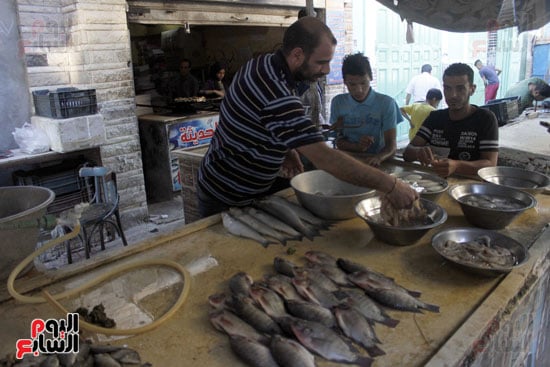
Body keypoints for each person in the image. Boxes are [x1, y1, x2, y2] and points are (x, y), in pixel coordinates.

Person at [196, 16, 418, 217]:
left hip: (252, 189)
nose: (327, 70)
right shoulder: (276, 91)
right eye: (321, 62)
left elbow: (260, 121)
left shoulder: (265, 64)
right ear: (297, 55)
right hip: (225, 194)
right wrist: (391, 185)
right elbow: (326, 157)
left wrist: (287, 147)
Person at [403, 63, 499, 178]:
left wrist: (457, 165)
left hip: (469, 188)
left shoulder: (485, 119)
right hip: (435, 183)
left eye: (460, 88)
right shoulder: (435, 117)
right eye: (448, 88)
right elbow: (407, 153)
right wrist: (419, 153)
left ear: (472, 90)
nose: (453, 95)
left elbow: (490, 165)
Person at [330, 52, 401, 167]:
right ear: (344, 82)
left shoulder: (386, 103)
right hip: (348, 161)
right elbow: (338, 140)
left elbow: (391, 146)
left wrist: (377, 158)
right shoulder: (338, 102)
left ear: (371, 78)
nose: (359, 90)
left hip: (380, 162)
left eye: (363, 83)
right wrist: (357, 146)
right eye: (352, 84)